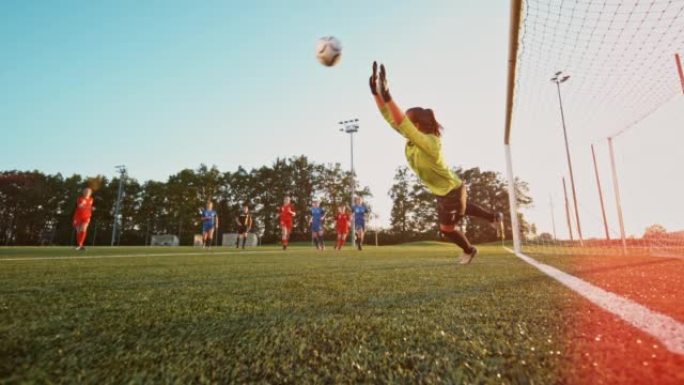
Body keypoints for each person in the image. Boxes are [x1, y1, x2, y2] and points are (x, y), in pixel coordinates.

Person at [370, 62, 502, 264]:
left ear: (416, 125)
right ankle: (493, 217)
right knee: (462, 209)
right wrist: (376, 94)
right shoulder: (413, 138)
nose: (401, 120)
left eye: (406, 119)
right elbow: (390, 118)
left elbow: (401, 123)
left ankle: (469, 250)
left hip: (452, 191)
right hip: (447, 189)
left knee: (446, 229)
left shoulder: (431, 142)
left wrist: (388, 95)